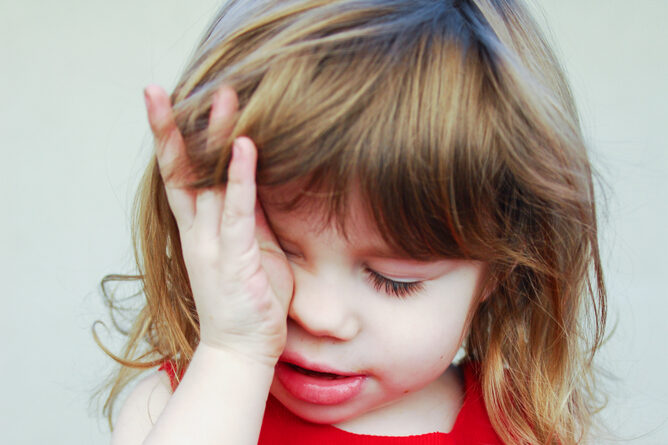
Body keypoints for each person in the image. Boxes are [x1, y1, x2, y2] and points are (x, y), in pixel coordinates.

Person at [97, 0, 608, 443]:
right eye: (274, 250)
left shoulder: (529, 433)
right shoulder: (173, 408)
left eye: (394, 279)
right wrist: (234, 353)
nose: (320, 315)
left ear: (501, 267)